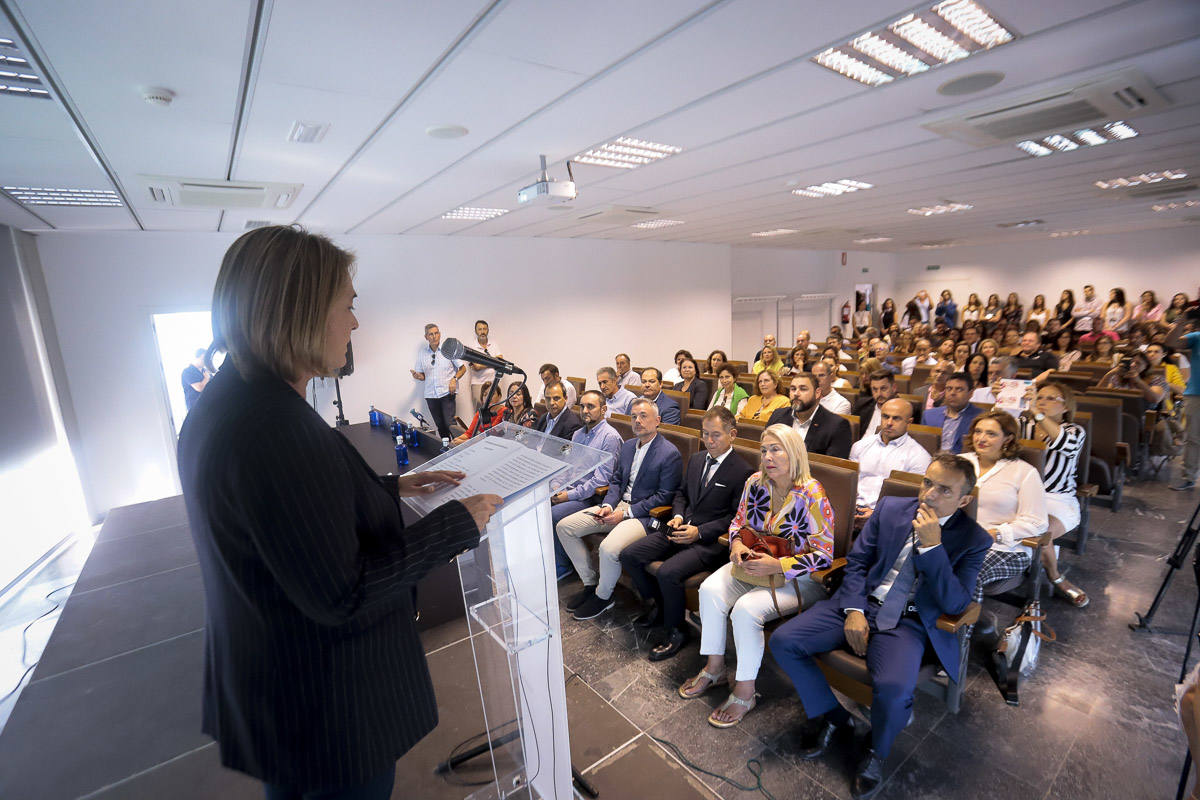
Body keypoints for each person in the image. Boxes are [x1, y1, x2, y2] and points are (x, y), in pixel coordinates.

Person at [179, 226, 502, 799]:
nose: (354, 324)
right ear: (301, 311)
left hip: (277, 683)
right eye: (348, 306)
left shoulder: (234, 402)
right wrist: (458, 523)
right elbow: (341, 590)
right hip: (325, 704)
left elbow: (289, 515)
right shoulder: (274, 428)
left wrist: (389, 487)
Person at [769, 455, 990, 800]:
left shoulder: (974, 539)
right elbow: (857, 562)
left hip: (910, 619)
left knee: (893, 687)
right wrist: (855, 608)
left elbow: (956, 604)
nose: (929, 494)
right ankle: (833, 717)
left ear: (964, 500)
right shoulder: (890, 508)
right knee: (784, 640)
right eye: (927, 482)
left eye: (944, 490)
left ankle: (877, 750)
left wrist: (933, 546)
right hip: (861, 601)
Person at [679, 425, 834, 727]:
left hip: (797, 578)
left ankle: (745, 691)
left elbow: (824, 555)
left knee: (746, 611)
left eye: (776, 449)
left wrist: (778, 566)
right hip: (754, 566)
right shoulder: (755, 483)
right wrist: (736, 543)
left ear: (794, 453)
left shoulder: (812, 493)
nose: (768, 457)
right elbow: (738, 524)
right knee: (709, 590)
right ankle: (714, 668)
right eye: (764, 450)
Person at [620, 406, 754, 661]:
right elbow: (680, 494)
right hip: (680, 527)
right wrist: (679, 516)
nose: (709, 440)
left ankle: (677, 630)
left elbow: (736, 517)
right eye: (705, 434)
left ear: (732, 434)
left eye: (716, 435)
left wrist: (699, 532)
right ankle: (658, 606)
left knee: (668, 572)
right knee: (629, 554)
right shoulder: (696, 459)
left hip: (709, 542)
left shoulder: (743, 471)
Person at [557, 398, 682, 619]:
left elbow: (664, 497)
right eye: (634, 416)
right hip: (616, 506)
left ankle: (603, 597)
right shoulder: (627, 447)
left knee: (608, 548)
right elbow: (615, 481)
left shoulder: (669, 453)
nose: (638, 421)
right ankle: (590, 583)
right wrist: (607, 505)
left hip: (642, 516)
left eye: (644, 416)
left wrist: (624, 513)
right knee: (565, 527)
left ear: (658, 421)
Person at [960, 410, 1049, 593]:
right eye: (978, 431)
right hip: (958, 539)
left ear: (1007, 439)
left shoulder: (1024, 472)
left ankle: (964, 621)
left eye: (991, 434)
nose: (981, 438)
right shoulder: (958, 463)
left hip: (1005, 548)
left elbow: (1037, 522)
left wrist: (995, 533)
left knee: (967, 573)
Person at [1017, 383, 1088, 606]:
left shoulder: (1074, 431)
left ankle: (1055, 576)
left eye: (1050, 398)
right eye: (1040, 398)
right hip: (1021, 493)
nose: (1042, 402)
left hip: (1057, 499)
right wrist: (1003, 401)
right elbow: (999, 431)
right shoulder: (1025, 424)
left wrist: (1037, 414)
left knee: (1042, 528)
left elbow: (1063, 443)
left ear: (1065, 406)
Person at [550, 390, 624, 581]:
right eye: (582, 406)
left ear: (604, 409)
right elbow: (567, 468)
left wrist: (568, 495)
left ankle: (563, 566)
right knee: (541, 504)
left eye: (590, 406)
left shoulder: (610, 437)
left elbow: (601, 481)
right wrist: (557, 487)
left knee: (553, 514)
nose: (585, 410)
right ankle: (554, 558)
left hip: (591, 497)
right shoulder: (578, 434)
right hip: (572, 489)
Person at [849, 399, 933, 526]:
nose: (889, 423)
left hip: (888, 519)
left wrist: (877, 514)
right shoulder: (860, 446)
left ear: (909, 422)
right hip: (852, 510)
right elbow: (850, 484)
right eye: (885, 416)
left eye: (896, 419)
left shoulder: (920, 457)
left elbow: (911, 501)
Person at [767, 372, 852, 459]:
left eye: (803, 389)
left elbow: (832, 469)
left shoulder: (837, 426)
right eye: (793, 389)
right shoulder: (778, 415)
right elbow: (765, 450)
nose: (796, 393)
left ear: (817, 393)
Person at [410, 322, 465, 441]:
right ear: (426, 337)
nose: (434, 336)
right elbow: (422, 375)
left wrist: (454, 380)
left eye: (436, 333)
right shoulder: (422, 353)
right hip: (430, 395)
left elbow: (462, 368)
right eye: (431, 334)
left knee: (450, 424)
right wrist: (418, 376)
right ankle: (448, 448)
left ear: (440, 335)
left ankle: (461, 447)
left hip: (447, 393)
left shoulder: (448, 350)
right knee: (440, 426)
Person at [1167, 314, 1200, 490]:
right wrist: (1181, 322)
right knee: (1193, 438)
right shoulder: (1196, 337)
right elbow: (1171, 342)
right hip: (1196, 393)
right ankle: (1189, 476)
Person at [922, 373, 982, 454]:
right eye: (949, 388)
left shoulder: (980, 418)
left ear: (970, 393)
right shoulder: (929, 415)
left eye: (959, 389)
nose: (952, 393)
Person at [451, 380, 508, 444]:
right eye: (485, 395)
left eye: (492, 394)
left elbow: (490, 434)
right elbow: (469, 433)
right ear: (482, 399)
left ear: (499, 396)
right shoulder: (481, 412)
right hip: (482, 442)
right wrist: (457, 439)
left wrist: (463, 442)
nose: (488, 397)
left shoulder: (504, 412)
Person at [467, 319, 503, 411]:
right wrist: (493, 362)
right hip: (478, 383)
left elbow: (501, 360)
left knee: (496, 409)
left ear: (488, 330)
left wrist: (483, 362)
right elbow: (476, 367)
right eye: (480, 329)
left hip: (494, 382)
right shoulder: (472, 347)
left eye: (484, 329)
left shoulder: (493, 344)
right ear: (476, 331)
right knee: (480, 411)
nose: (482, 332)